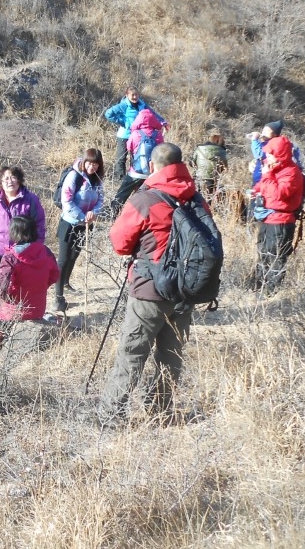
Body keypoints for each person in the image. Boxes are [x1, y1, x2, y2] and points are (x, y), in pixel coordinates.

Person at [99, 143, 207, 423]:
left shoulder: (145, 200)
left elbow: (120, 243)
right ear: (182, 165)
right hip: (186, 290)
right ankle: (159, 411)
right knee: (171, 354)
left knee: (133, 352)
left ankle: (111, 415)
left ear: (152, 166)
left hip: (149, 288)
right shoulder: (196, 198)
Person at [250, 136, 305, 293]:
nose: (267, 156)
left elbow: (280, 193)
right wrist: (256, 191)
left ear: (280, 154)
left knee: (275, 257)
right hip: (268, 218)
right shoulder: (273, 168)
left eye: (270, 154)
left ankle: (271, 292)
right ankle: (258, 288)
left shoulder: (292, 172)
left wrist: (267, 176)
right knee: (263, 254)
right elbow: (263, 186)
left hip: (281, 220)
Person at [53, 149, 105, 315]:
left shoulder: (97, 180)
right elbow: (66, 201)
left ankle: (66, 283)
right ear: (84, 162)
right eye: (89, 163)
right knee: (63, 259)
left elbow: (101, 200)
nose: (92, 167)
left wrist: (94, 213)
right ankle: (58, 298)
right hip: (70, 223)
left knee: (75, 255)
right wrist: (83, 216)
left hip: (86, 224)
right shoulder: (74, 176)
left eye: (95, 164)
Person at [0, 166, 47, 284]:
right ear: (0, 182)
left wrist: (37, 247)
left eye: (13, 177)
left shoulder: (31, 200)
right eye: (6, 178)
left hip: (22, 252)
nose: (10, 181)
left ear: (19, 180)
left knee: (18, 286)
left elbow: (39, 224)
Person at [0, 215, 60, 323]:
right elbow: (55, 276)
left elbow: (0, 289)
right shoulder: (46, 252)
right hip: (37, 310)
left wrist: (1, 301)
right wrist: (39, 287)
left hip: (13, 311)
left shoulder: (10, 257)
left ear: (14, 232)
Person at [104, 87, 167, 182]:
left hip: (138, 136)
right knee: (122, 158)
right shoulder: (123, 105)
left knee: (135, 157)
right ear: (127, 96)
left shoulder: (142, 104)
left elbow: (152, 114)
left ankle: (133, 178)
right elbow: (108, 114)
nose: (135, 97)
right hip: (125, 135)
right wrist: (124, 122)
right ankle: (120, 179)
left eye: (136, 94)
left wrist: (163, 122)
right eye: (132, 95)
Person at [111, 108, 165, 211]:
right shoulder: (158, 135)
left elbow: (129, 148)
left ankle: (114, 212)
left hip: (135, 171)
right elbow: (162, 150)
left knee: (122, 193)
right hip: (152, 172)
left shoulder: (135, 134)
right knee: (150, 195)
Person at [247, 120, 301, 186]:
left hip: (269, 182)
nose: (264, 132)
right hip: (260, 183)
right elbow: (262, 158)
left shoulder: (278, 145)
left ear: (275, 134)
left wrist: (254, 140)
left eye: (268, 130)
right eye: (263, 130)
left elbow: (260, 154)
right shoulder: (265, 144)